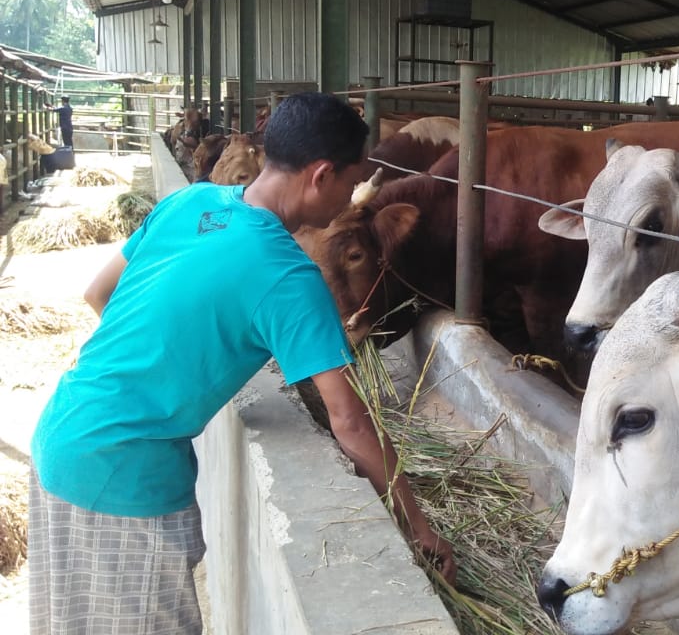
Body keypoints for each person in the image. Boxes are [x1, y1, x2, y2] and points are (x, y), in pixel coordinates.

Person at [28, 91, 456, 634]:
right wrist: (418, 526)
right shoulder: (288, 276)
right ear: (321, 175)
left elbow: (98, 293)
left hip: (62, 431)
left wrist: (163, 362)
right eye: (351, 184)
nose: (351, 197)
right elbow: (348, 420)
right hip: (124, 476)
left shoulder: (191, 203)